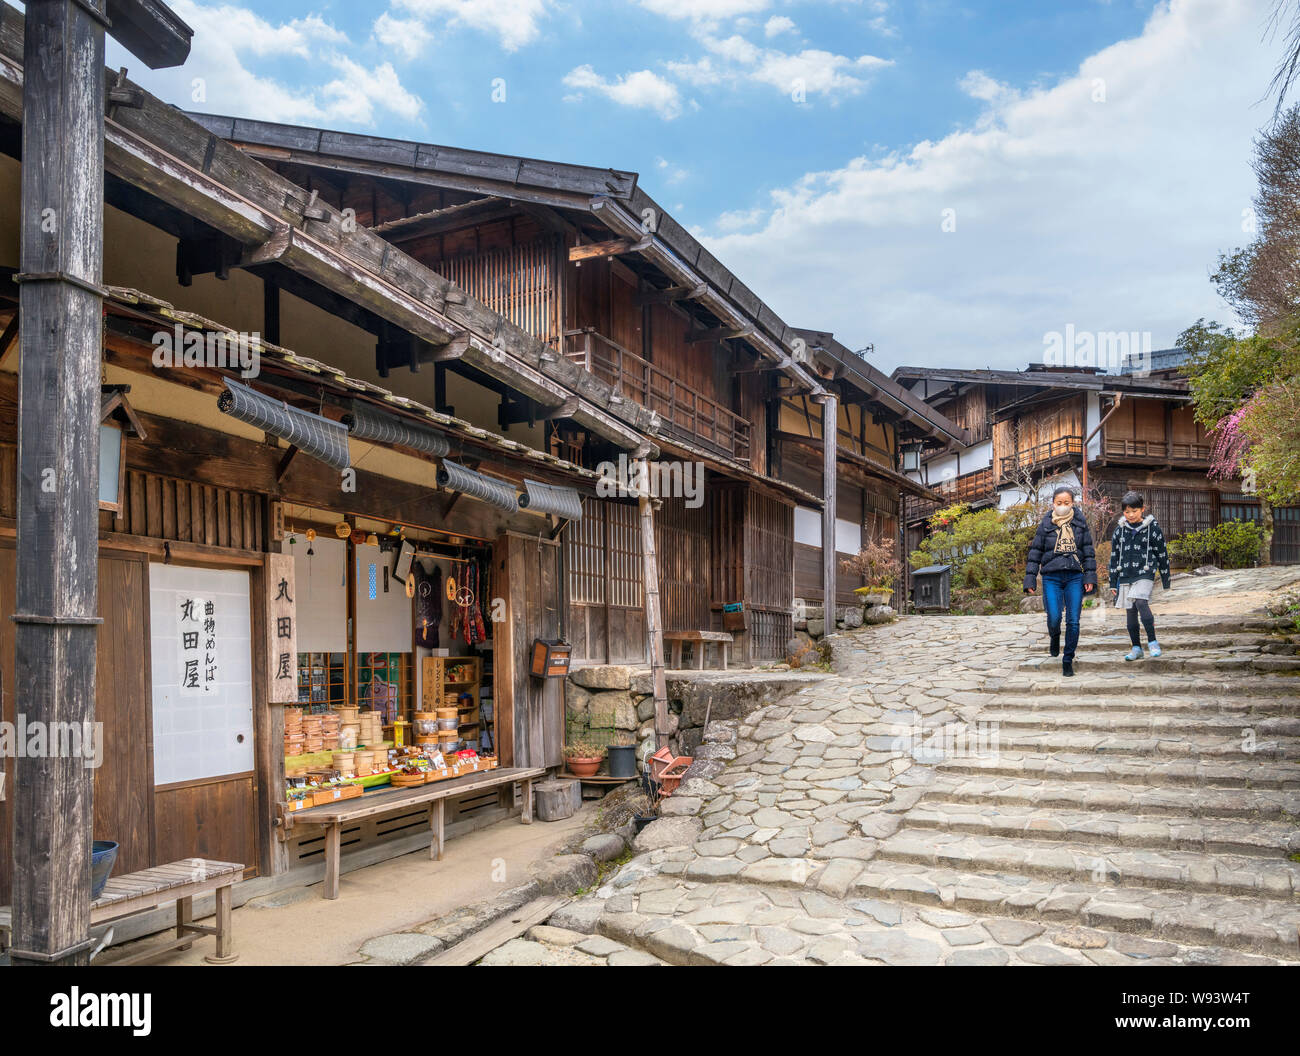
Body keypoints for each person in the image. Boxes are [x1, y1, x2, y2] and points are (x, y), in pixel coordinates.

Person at [1023, 485, 1097, 677]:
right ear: (1053, 504)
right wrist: (1030, 578)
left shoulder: (1080, 524)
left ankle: (1067, 659)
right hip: (1051, 577)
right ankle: (1054, 636)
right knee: (1054, 617)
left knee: (1073, 621)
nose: (1062, 506)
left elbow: (1088, 552)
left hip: (1074, 575)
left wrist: (1089, 576)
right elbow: (1035, 553)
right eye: (1059, 503)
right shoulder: (1046, 525)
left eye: (1066, 503)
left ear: (1072, 503)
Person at [1108, 490, 1171, 660]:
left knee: (1141, 602)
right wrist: (1113, 582)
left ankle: (1152, 642)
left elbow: (1162, 553)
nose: (1130, 515)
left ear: (1143, 509)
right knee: (1130, 613)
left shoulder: (1153, 528)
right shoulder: (1119, 531)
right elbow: (1114, 557)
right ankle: (1136, 647)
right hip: (1126, 574)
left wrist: (1166, 578)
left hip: (1145, 571)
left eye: (1134, 511)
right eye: (1127, 512)